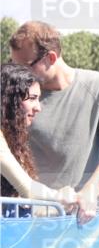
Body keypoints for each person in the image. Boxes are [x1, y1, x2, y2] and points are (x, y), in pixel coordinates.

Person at [8, 21, 99, 222]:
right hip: (27, 218)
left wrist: (89, 194)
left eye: (24, 66)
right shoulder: (15, 95)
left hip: (80, 218)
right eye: (13, 65)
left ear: (51, 58)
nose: (17, 74)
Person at [0, 63, 76, 210]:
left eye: (38, 99)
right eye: (32, 98)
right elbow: (28, 189)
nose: (38, 107)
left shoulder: (11, 140)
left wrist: (65, 209)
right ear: (9, 101)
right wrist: (61, 197)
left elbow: (24, 206)